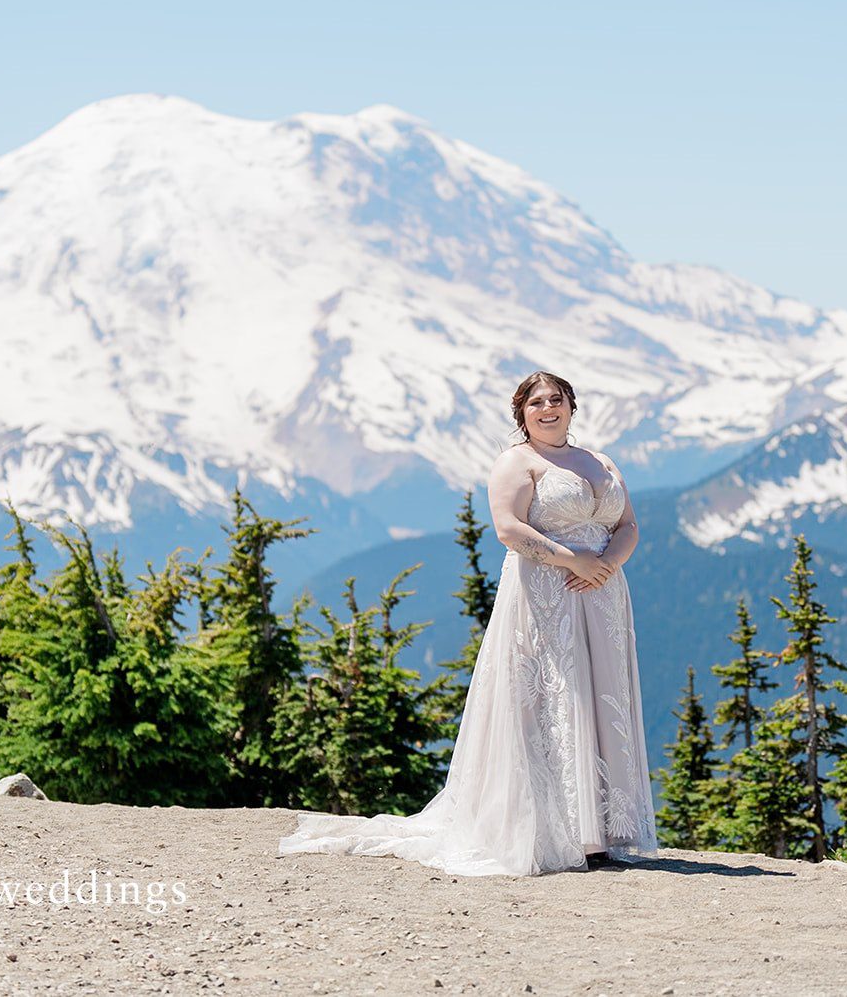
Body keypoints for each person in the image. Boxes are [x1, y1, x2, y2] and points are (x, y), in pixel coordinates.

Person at [276, 370, 660, 876]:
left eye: (557, 399)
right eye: (537, 402)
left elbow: (628, 524)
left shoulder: (602, 462)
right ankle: (568, 831)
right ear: (521, 413)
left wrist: (608, 563)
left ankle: (605, 828)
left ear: (572, 405)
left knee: (603, 694)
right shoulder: (516, 462)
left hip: (604, 595)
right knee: (557, 696)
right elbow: (508, 529)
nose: (548, 408)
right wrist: (575, 561)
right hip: (549, 593)